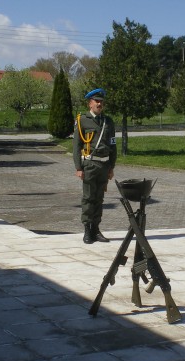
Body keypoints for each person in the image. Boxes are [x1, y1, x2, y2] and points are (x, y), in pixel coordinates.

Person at [73, 88, 116, 244]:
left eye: (101, 101)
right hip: (90, 164)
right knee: (88, 198)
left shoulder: (108, 121)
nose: (99, 103)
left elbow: (113, 145)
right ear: (89, 103)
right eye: (96, 101)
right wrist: (79, 168)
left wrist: (111, 167)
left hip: (104, 165)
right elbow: (76, 146)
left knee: (99, 198)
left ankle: (96, 229)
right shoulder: (82, 120)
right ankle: (87, 229)